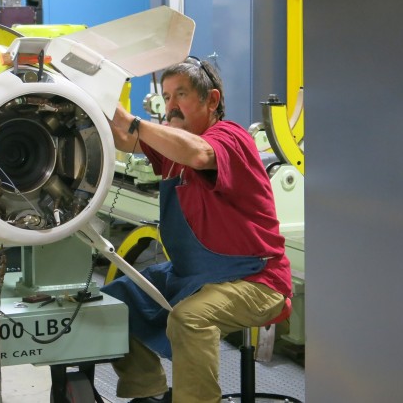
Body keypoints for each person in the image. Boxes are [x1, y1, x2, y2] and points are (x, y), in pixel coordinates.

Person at [101, 57, 293, 403]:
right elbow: (123, 139)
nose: (171, 107)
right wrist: (90, 97)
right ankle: (149, 393)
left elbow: (202, 156)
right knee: (114, 302)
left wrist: (134, 123)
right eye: (167, 96)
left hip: (256, 280)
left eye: (182, 95)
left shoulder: (228, 137)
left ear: (212, 100)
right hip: (193, 274)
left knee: (190, 318)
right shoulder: (177, 144)